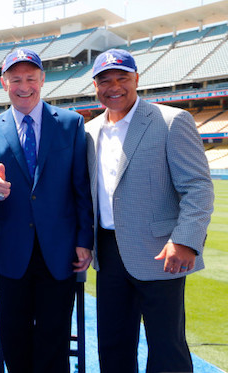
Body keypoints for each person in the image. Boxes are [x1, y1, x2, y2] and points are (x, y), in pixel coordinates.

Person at [86, 48, 214, 373]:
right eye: (105, 81)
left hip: (162, 252)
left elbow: (198, 186)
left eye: (122, 78)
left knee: (167, 347)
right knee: (113, 344)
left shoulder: (172, 120)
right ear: (95, 86)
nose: (114, 86)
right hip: (109, 251)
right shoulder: (89, 131)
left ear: (137, 79)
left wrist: (185, 240)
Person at [0, 48, 93, 372]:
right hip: (10, 249)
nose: (23, 86)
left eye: (30, 78)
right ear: (4, 83)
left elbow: (80, 187)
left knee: (54, 337)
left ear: (42, 79)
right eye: (16, 79)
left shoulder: (70, 124)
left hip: (60, 249)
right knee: (14, 336)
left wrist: (85, 238)